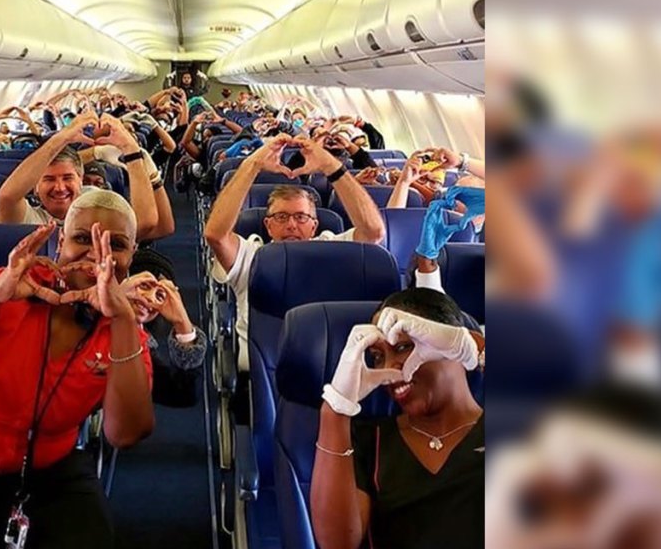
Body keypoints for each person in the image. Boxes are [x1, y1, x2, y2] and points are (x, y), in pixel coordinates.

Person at [0, 190, 155, 549]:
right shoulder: (4, 286)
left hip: (52, 471)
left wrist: (120, 320)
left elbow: (125, 434)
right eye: (81, 238)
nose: (97, 253)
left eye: (115, 244)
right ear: (58, 243)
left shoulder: (125, 329)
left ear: (131, 255)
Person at [311, 287, 485, 549]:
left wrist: (475, 349)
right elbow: (337, 544)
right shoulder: (370, 440)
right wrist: (336, 409)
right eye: (378, 357)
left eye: (404, 347)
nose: (389, 368)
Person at [203, 134, 386, 371]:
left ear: (314, 225)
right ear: (267, 225)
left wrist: (331, 166)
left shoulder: (331, 249)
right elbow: (215, 235)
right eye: (281, 217)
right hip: (264, 374)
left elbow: (373, 232)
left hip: (330, 368)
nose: (291, 225)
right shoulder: (253, 255)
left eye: (301, 217)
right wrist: (252, 164)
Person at [0, 111, 162, 240]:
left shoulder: (98, 217)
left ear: (80, 180)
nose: (60, 188)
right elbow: (7, 196)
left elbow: (144, 223)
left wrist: (131, 150)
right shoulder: (27, 217)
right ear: (35, 188)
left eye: (67, 178)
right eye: (49, 179)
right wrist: (61, 138)